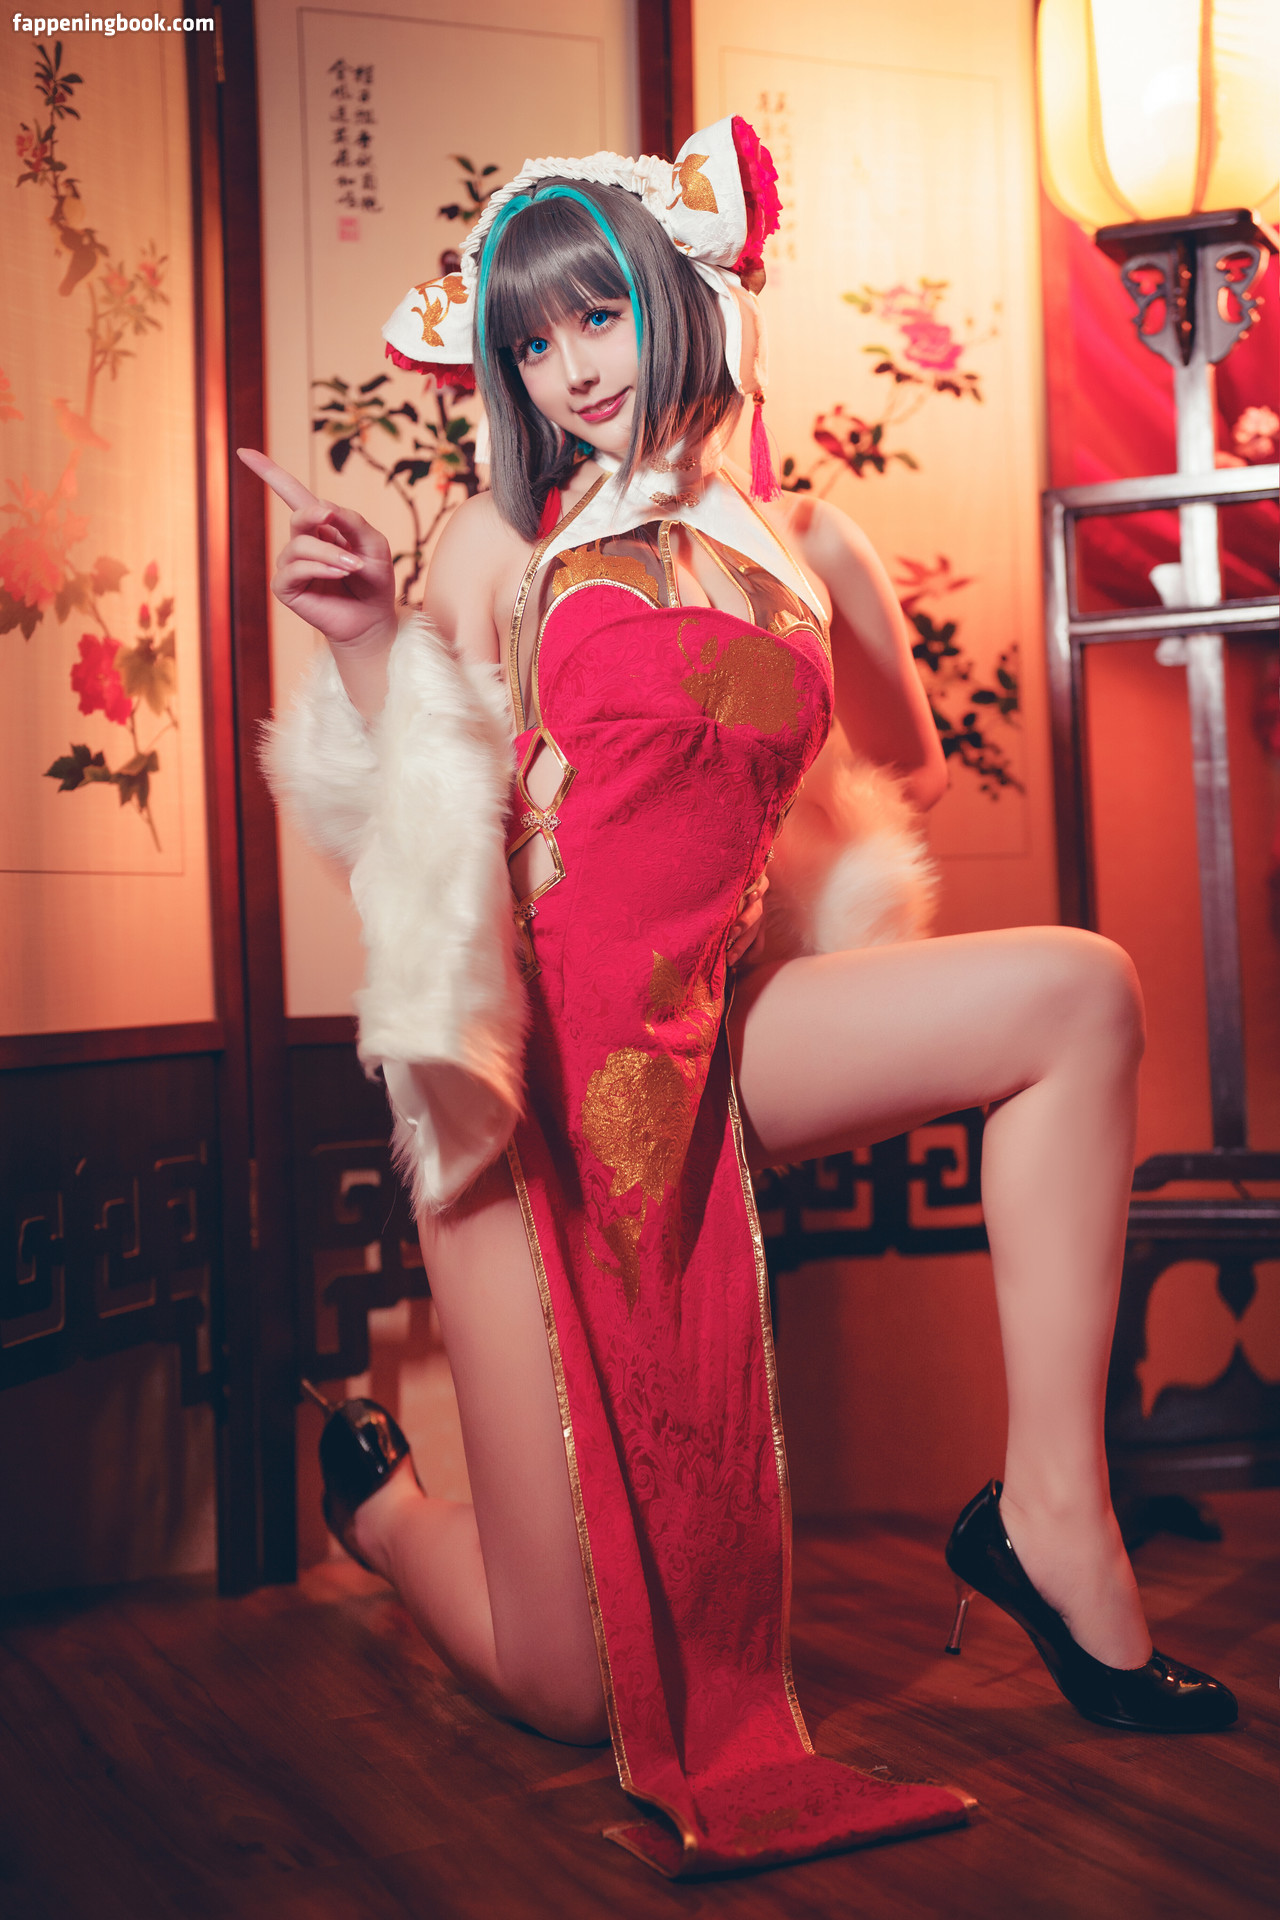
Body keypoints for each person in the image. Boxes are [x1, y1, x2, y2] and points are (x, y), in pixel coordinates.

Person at [242, 116, 1235, 1880]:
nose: (572, 370)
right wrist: (369, 639)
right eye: (530, 345)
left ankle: (1051, 1516)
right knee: (567, 1689)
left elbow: (903, 766)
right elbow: (411, 815)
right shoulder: (496, 544)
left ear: (682, 297)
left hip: (716, 1026)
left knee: (1080, 994)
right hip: (537, 1082)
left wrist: (822, 701)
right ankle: (388, 1511)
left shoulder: (808, 543)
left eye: (598, 315)